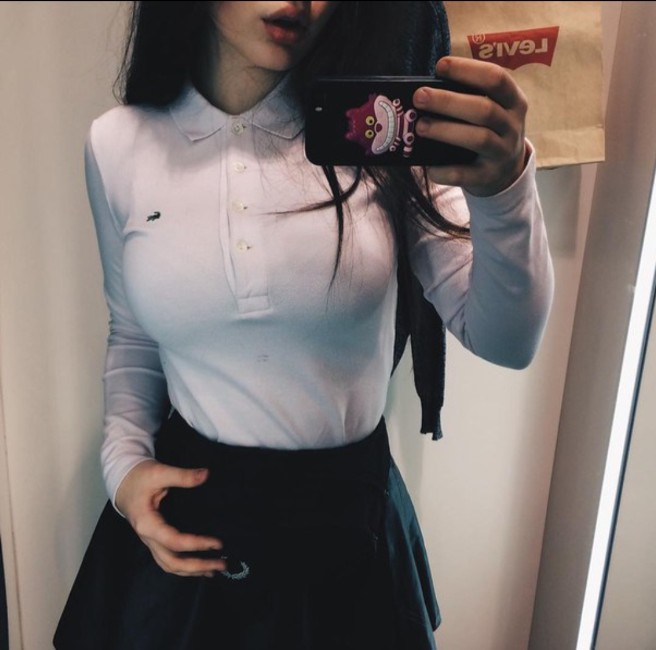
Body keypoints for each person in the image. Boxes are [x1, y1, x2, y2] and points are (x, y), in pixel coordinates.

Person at [54, 1, 554, 649]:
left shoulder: (378, 130)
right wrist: (123, 468)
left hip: (348, 529)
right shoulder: (118, 144)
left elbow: (508, 340)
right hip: (196, 529)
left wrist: (504, 188)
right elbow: (132, 333)